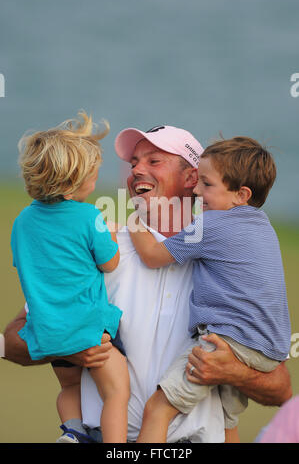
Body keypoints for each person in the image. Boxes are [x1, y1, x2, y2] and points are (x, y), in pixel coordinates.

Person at [3, 125, 292, 443]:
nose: (137, 170)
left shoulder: (229, 260)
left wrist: (234, 371)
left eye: (154, 161)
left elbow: (281, 389)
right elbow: (12, 342)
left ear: (193, 179)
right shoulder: (101, 247)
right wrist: (73, 350)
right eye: (133, 163)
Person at [128, 135, 292, 443]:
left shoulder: (211, 225)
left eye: (207, 184)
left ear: (241, 194)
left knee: (158, 409)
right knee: (226, 421)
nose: (197, 190)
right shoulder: (264, 226)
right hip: (267, 349)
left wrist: (136, 221)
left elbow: (152, 256)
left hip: (227, 341)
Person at [10, 112, 130, 443]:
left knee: (69, 387)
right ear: (74, 181)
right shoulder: (89, 216)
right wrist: (113, 236)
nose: (97, 179)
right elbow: (110, 263)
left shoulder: (22, 222)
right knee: (118, 392)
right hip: (88, 329)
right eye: (93, 174)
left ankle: (73, 432)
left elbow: (30, 266)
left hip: (47, 332)